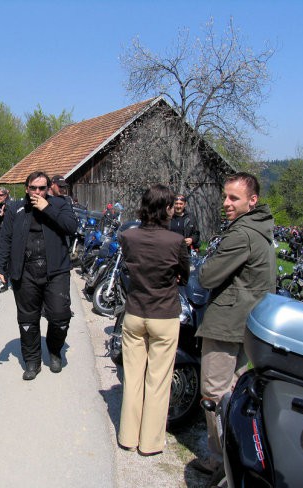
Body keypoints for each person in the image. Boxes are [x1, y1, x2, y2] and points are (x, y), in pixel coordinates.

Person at [191, 172, 275, 479]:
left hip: (227, 323)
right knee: (235, 392)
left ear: (252, 201)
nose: (225, 203)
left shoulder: (241, 235)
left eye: (233, 198)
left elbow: (207, 276)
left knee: (214, 394)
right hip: (248, 323)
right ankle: (237, 453)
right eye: (225, 196)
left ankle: (220, 459)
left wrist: (206, 261)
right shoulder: (260, 230)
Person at [116, 184, 190, 456]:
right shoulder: (175, 241)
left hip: (135, 312)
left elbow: (128, 266)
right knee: (157, 381)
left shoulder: (128, 236)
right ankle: (150, 443)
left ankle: (127, 436)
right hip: (163, 313)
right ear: (167, 209)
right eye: (172, 205)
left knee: (133, 377)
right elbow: (185, 273)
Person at [0, 172, 78, 380]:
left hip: (55, 270)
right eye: (33, 188)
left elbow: (71, 227)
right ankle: (32, 361)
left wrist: (47, 208)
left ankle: (55, 350)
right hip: (25, 271)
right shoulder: (15, 209)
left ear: (48, 188)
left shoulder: (61, 204)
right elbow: (5, 241)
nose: (37, 192)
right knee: (28, 320)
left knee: (60, 317)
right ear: (26, 188)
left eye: (41, 188)